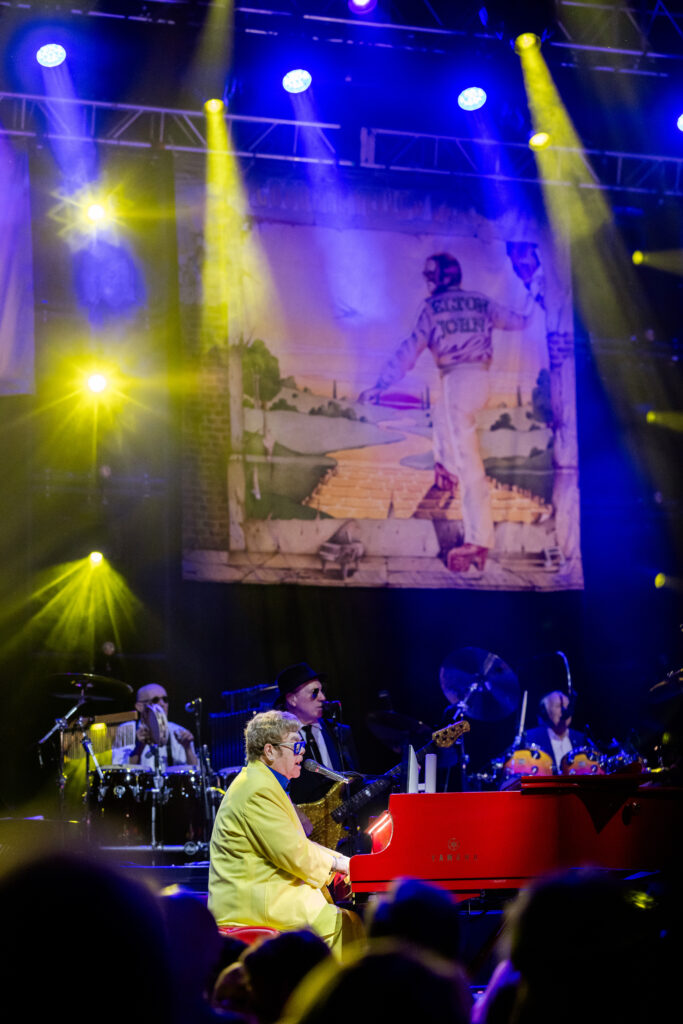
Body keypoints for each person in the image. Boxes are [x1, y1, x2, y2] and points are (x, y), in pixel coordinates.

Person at [359, 252, 538, 572]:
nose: (427, 282)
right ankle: (445, 469)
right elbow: (522, 321)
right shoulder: (480, 302)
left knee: (470, 465)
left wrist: (381, 384)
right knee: (441, 414)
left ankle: (478, 540)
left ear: (439, 278)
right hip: (479, 381)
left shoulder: (432, 308)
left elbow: (409, 351)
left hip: (458, 381)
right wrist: (532, 290)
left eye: (430, 276)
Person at [208, 709, 363, 957]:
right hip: (255, 905)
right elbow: (294, 853)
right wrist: (340, 865)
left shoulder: (263, 783)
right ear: (269, 751)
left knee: (350, 919)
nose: (302, 752)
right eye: (295, 744)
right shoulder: (256, 790)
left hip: (266, 895)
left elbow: (296, 843)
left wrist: (343, 862)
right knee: (344, 923)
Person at [274, 662, 359, 805]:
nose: (322, 697)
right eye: (314, 692)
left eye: (322, 691)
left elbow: (355, 780)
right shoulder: (278, 742)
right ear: (292, 699)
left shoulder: (340, 732)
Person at [112, 683, 198, 768]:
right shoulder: (125, 730)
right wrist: (139, 746)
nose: (162, 704)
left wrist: (188, 748)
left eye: (165, 699)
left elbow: (195, 771)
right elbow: (120, 769)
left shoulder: (179, 731)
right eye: (155, 700)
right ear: (139, 706)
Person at [524, 690, 586, 770]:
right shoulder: (530, 737)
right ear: (545, 712)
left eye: (568, 706)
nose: (565, 711)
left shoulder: (582, 739)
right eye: (559, 706)